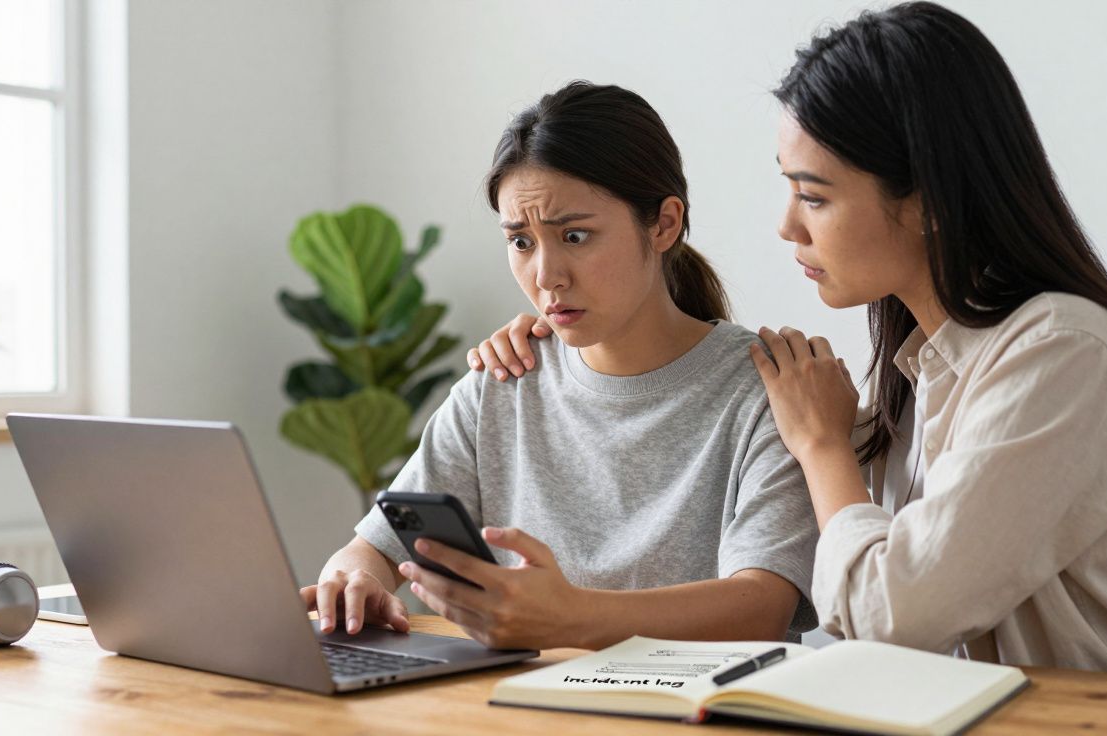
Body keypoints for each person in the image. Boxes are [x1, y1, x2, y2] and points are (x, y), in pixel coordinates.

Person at [469, 3, 1107, 676]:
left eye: (814, 196)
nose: (788, 225)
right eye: (789, 190)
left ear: (928, 200)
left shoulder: (1062, 352)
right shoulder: (914, 373)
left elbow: (892, 617)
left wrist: (822, 446)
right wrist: (566, 336)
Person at [301, 82, 818, 651]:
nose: (547, 276)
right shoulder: (502, 382)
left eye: (575, 236)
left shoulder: (771, 390)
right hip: (517, 697)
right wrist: (354, 580)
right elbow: (374, 547)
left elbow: (762, 609)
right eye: (521, 242)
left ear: (664, 224)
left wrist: (572, 616)